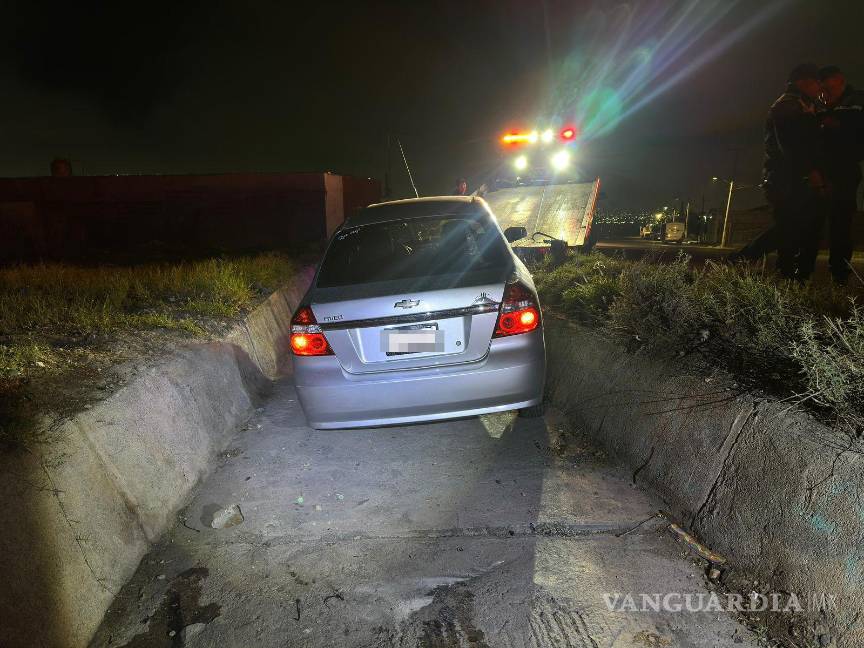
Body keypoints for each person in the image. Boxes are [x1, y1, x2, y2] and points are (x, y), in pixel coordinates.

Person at [754, 64, 827, 280]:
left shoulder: (804, 105)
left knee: (797, 228)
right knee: (788, 230)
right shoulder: (787, 106)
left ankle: (792, 277)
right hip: (786, 179)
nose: (819, 88)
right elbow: (792, 146)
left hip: (792, 178)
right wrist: (811, 172)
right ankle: (748, 260)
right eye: (816, 83)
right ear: (804, 83)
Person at [819, 65, 864, 284]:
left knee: (840, 222)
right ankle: (801, 267)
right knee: (809, 218)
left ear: (839, 80)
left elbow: (857, 132)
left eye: (829, 86)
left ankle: (839, 274)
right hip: (821, 169)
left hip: (844, 170)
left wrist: (834, 124)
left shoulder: (856, 101)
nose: (826, 91)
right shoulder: (824, 103)